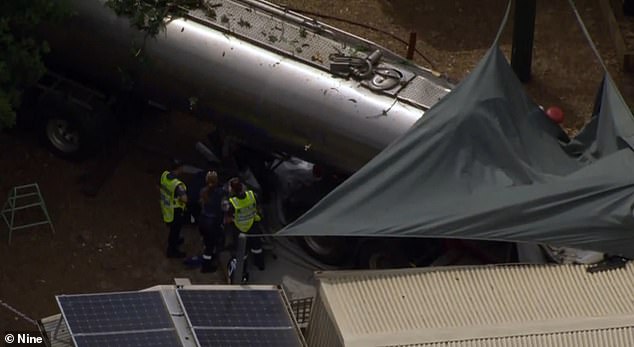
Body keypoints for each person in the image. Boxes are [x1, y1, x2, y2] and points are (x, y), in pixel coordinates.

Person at [224, 177, 264, 283]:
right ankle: (260, 264)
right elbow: (258, 207)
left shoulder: (232, 202)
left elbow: (228, 219)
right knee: (257, 246)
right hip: (252, 225)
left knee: (242, 250)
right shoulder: (252, 195)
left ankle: (243, 270)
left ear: (231, 189)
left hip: (240, 228)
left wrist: (232, 219)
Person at [197, 171, 225, 273]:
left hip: (203, 220)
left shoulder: (203, 191)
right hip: (212, 223)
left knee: (207, 241)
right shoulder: (220, 193)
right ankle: (206, 267)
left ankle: (208, 257)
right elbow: (223, 207)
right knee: (210, 245)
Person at [159, 159, 188, 258]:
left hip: (166, 207)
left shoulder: (164, 175)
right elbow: (184, 199)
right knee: (174, 231)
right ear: (179, 168)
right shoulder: (177, 185)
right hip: (175, 211)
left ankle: (175, 241)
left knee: (174, 230)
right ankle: (172, 250)